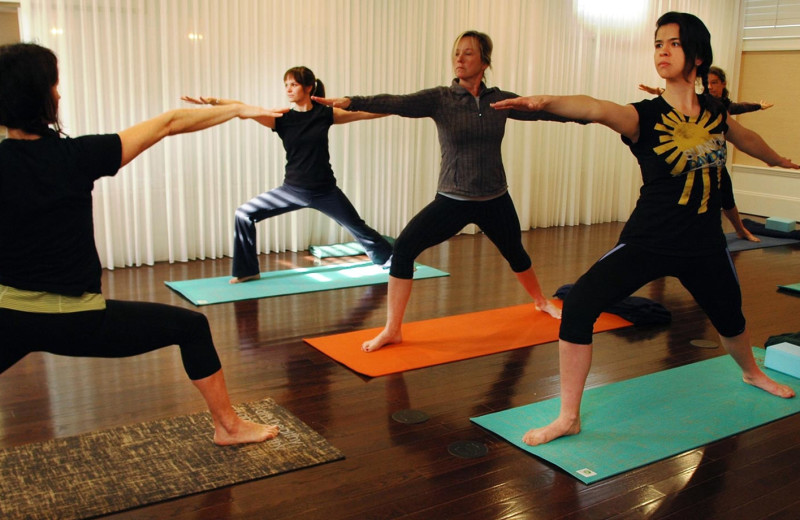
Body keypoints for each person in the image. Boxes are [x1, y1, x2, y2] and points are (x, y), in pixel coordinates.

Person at [492, 12, 797, 446]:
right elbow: (595, 108)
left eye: (673, 43)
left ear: (697, 56)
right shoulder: (644, 116)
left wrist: (776, 161)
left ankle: (751, 372)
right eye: (658, 44)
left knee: (731, 318)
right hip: (648, 240)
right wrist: (543, 103)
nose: (662, 51)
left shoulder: (715, 113)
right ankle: (568, 416)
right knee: (579, 305)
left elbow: (746, 137)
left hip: (705, 244)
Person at [0, 42, 286, 446]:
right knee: (191, 327)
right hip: (78, 320)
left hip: (7, 318)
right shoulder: (77, 155)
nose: (59, 94)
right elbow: (169, 122)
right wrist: (239, 109)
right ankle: (229, 427)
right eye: (55, 85)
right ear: (40, 96)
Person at [314, 30, 570, 353]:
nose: (459, 60)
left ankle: (540, 301)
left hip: (495, 198)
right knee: (404, 248)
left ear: (485, 61)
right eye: (456, 54)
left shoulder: (499, 100)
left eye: (468, 54)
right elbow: (398, 103)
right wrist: (353, 101)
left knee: (516, 253)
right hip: (453, 200)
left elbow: (543, 110)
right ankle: (393, 329)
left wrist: (588, 115)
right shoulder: (441, 99)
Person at [182, 66, 392, 284]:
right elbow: (242, 108)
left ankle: (388, 259)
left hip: (325, 190)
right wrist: (213, 101)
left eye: (294, 84)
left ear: (309, 87)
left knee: (357, 226)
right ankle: (247, 271)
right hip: (292, 190)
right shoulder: (280, 118)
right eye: (286, 85)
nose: (288, 89)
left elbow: (366, 113)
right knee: (243, 214)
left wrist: (400, 107)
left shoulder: (325, 114)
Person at [641, 66, 772, 242]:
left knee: (727, 196)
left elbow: (739, 107)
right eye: (707, 83)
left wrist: (758, 106)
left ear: (723, 84)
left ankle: (741, 230)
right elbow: (673, 99)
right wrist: (657, 91)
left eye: (715, 83)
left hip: (713, 160)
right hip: (692, 158)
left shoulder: (722, 106)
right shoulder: (699, 102)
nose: (710, 87)